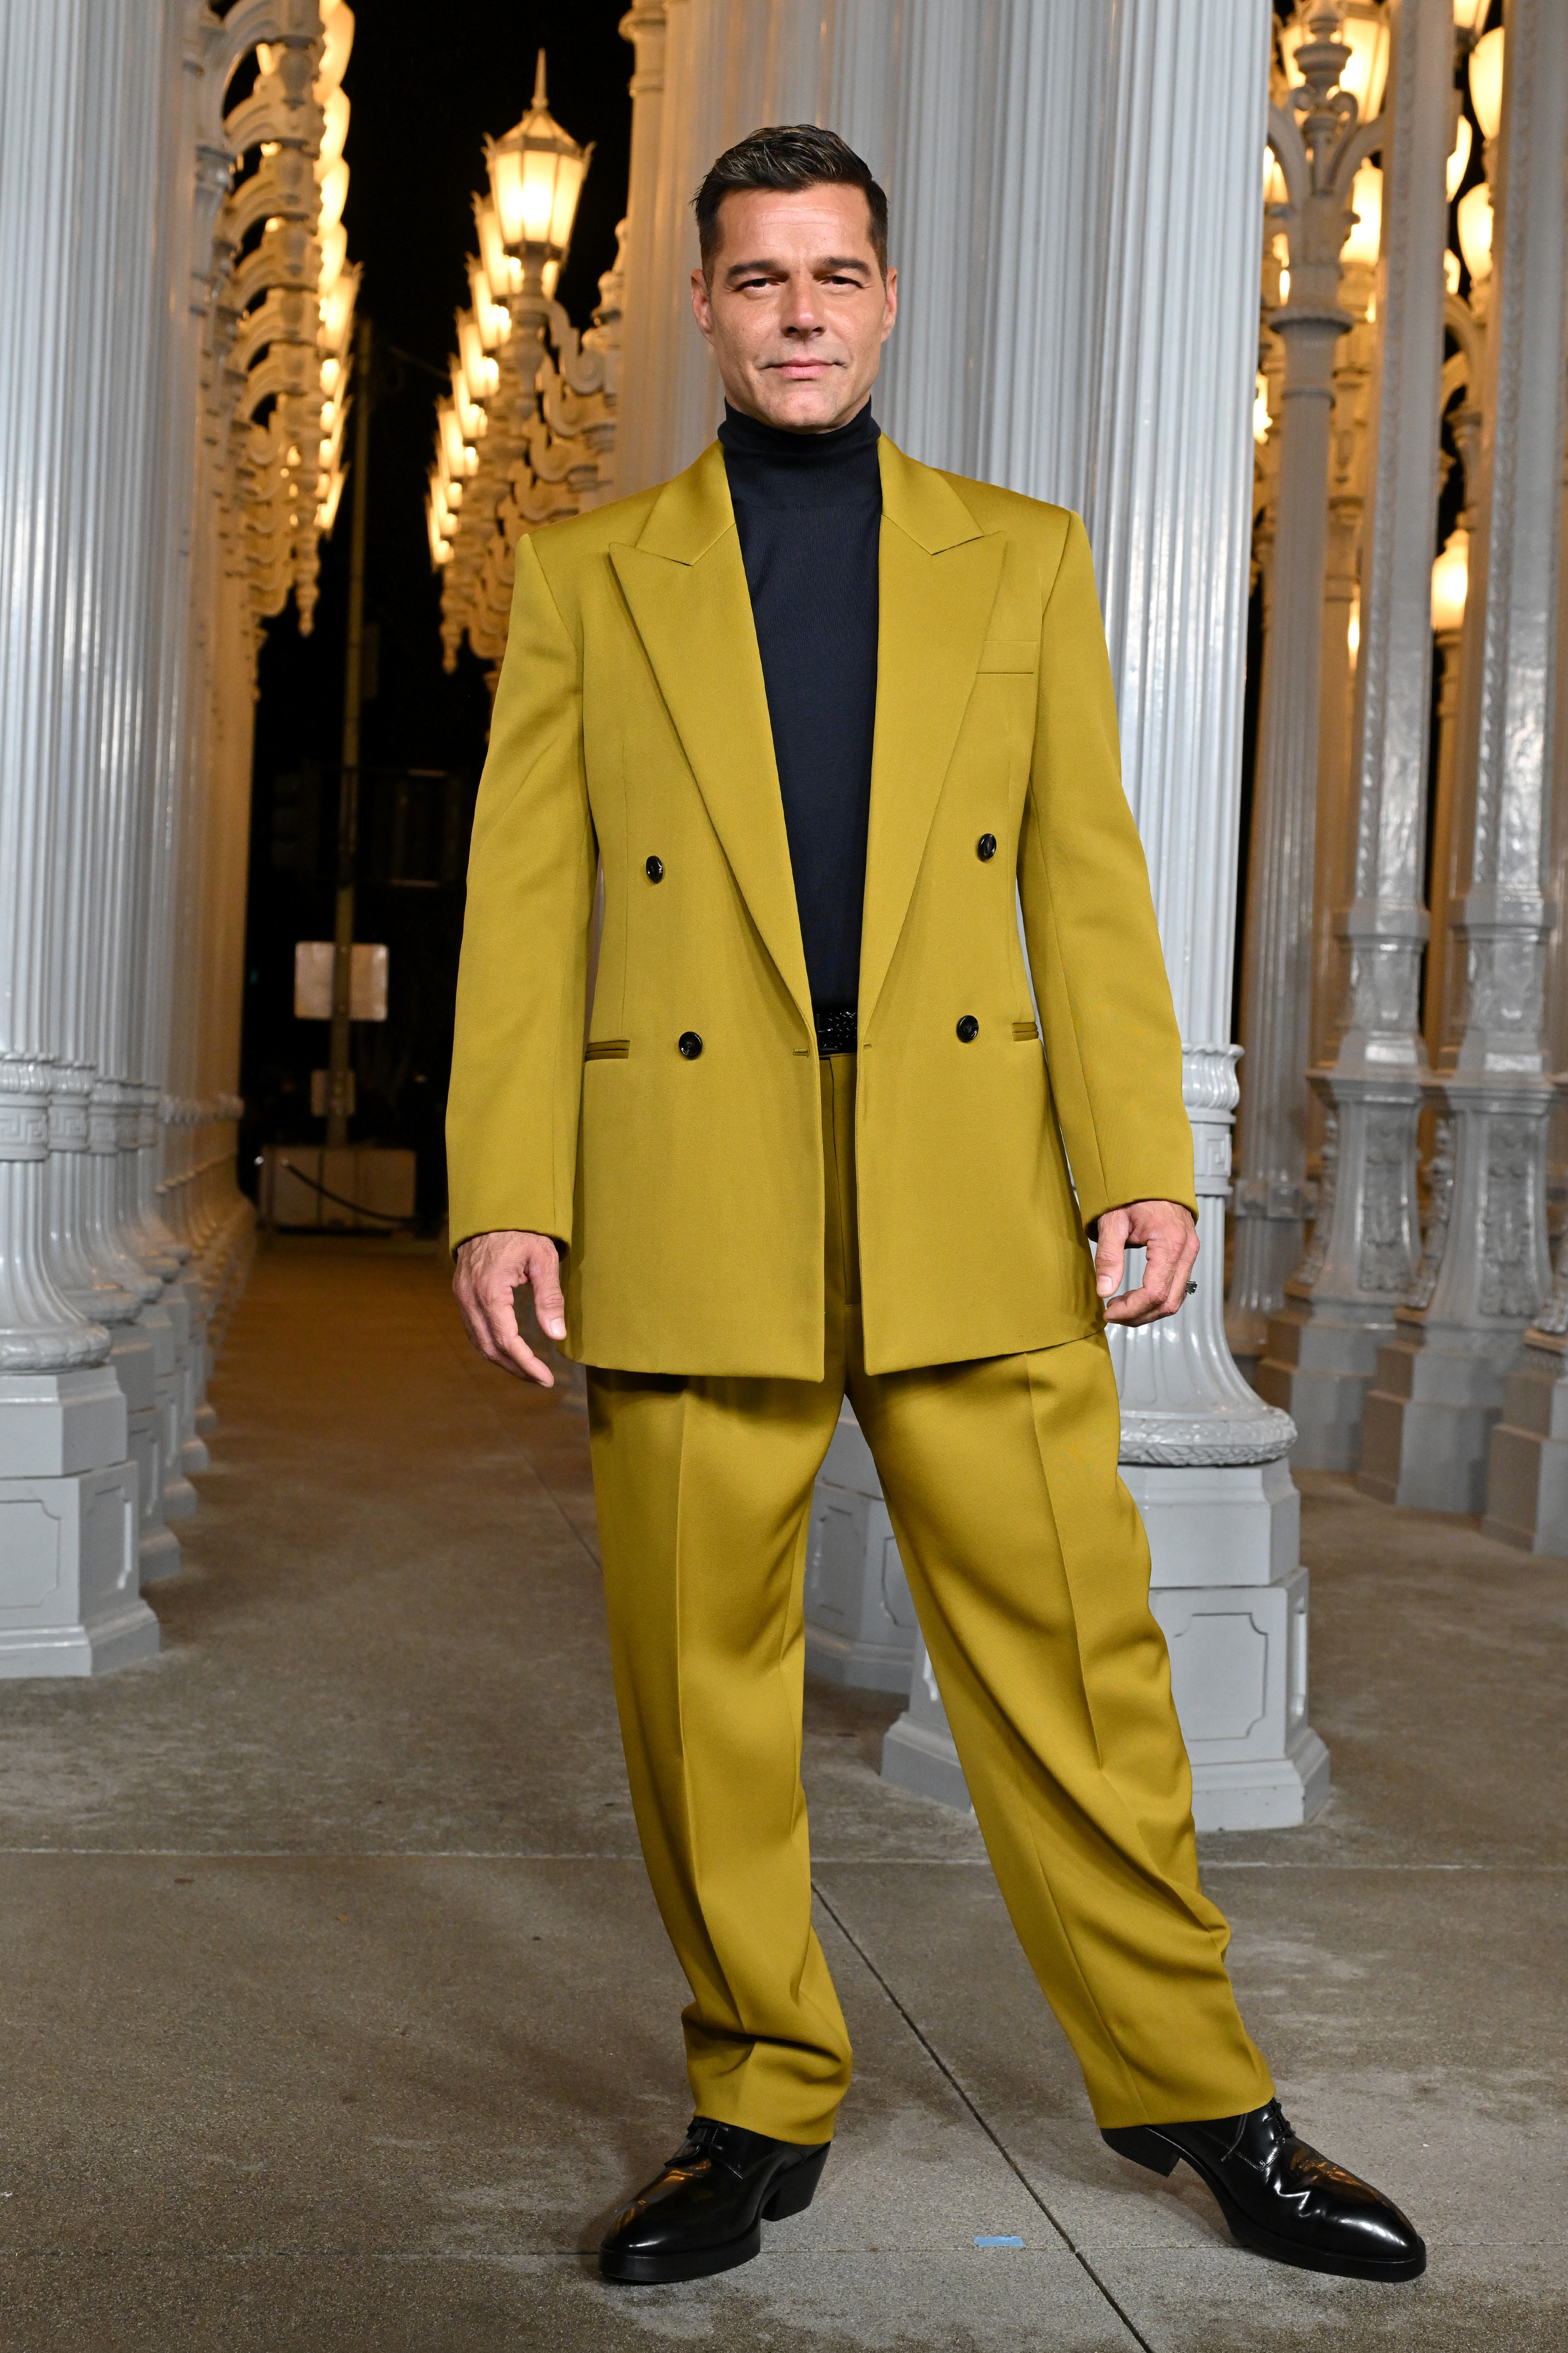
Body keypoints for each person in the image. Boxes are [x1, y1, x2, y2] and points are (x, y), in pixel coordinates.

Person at [446, 124, 1425, 2292]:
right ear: (701, 308)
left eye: (836, 273)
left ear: (885, 301)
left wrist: (1138, 1163)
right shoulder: (590, 578)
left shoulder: (1021, 558)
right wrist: (505, 1193)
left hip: (969, 1176)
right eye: (758, 275)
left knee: (1076, 1666)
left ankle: (1203, 2099)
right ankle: (751, 2103)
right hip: (691, 1177)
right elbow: (526, 913)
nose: (799, 309)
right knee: (700, 1690)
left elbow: (1083, 882)